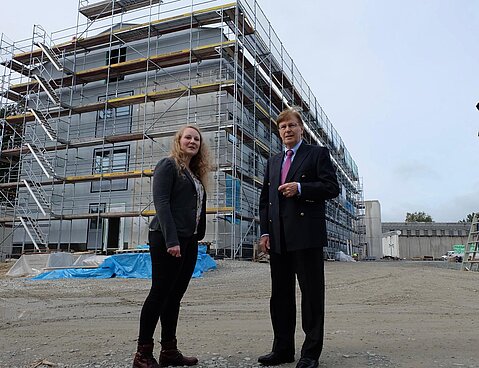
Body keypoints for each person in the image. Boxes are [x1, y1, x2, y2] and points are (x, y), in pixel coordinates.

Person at [258, 108, 340, 368]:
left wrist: (301, 188)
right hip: (279, 238)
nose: (287, 131)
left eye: (292, 125)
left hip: (306, 236)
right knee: (280, 296)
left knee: (312, 296)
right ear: (279, 132)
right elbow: (265, 201)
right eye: (282, 127)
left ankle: (310, 354)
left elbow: (332, 188)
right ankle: (282, 350)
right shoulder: (272, 162)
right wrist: (265, 231)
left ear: (301, 128)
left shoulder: (317, 154)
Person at [133, 125, 210, 368]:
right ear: (178, 140)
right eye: (188, 137)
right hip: (168, 239)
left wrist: (195, 236)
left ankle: (169, 350)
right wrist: (172, 240)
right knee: (159, 293)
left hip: (189, 240)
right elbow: (162, 204)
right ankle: (142, 355)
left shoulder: (194, 173)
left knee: (174, 296)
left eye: (196, 139)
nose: (193, 141)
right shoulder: (168, 165)